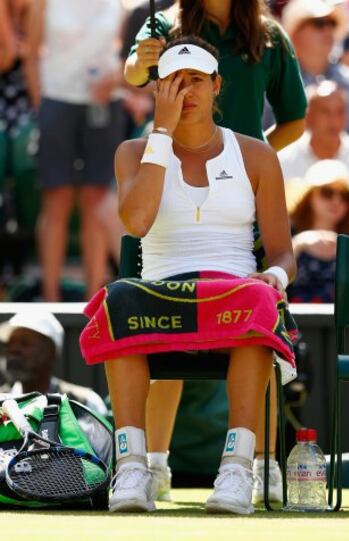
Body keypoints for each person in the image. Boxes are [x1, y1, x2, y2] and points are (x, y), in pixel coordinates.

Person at [80, 36, 297, 514]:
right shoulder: (133, 152)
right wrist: (161, 134)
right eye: (173, 82)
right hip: (162, 296)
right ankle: (133, 467)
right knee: (118, 299)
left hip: (234, 294)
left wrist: (275, 277)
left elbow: (282, 252)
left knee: (262, 302)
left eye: (195, 80)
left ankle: (237, 470)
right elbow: (136, 223)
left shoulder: (258, 155)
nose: (185, 92)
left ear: (217, 85)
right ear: (157, 90)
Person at [23, 0, 128, 301]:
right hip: (56, 101)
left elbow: (123, 53)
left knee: (98, 200)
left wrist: (114, 80)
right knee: (57, 198)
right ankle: (50, 298)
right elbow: (31, 55)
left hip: (105, 105)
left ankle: (91, 299)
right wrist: (42, 107)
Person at [0, 309, 108, 416]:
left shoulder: (85, 403)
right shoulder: (2, 401)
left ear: (50, 351)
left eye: (25, 342)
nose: (13, 350)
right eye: (9, 343)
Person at [281, 0, 349, 140]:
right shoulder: (277, 83)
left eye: (332, 24)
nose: (328, 30)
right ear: (294, 32)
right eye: (319, 24)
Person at [286, 159, 349, 303]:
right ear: (309, 196)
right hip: (297, 322)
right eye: (327, 192)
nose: (336, 201)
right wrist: (299, 244)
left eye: (344, 195)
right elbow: (275, 279)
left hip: (341, 324)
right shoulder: (287, 234)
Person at [278, 80, 349, 184]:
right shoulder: (284, 162)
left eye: (340, 111)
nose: (334, 120)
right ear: (308, 116)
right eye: (325, 111)